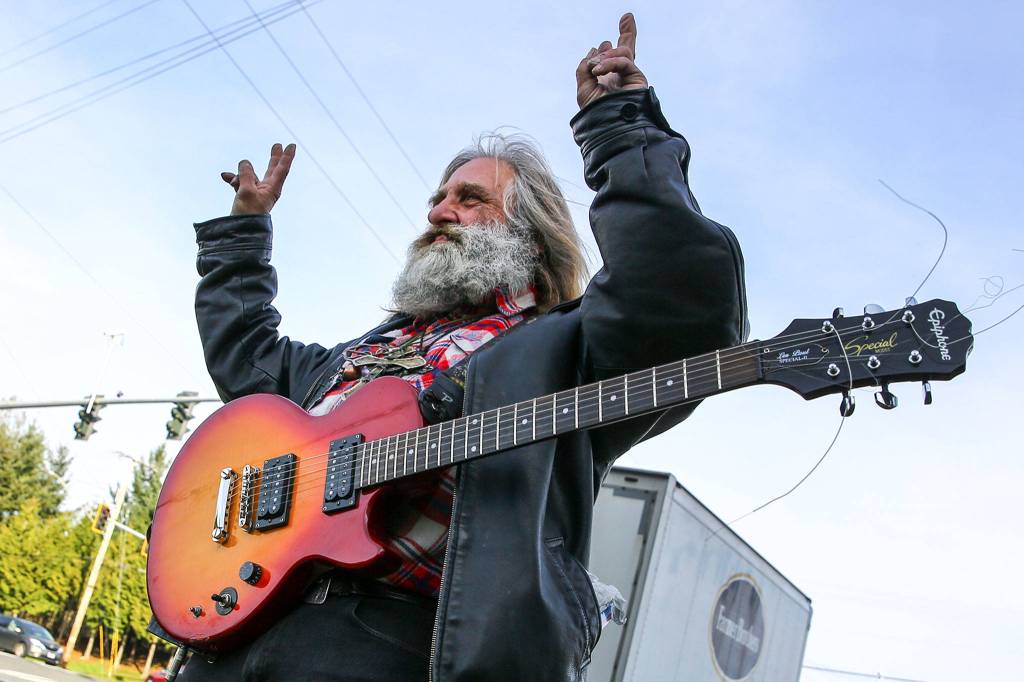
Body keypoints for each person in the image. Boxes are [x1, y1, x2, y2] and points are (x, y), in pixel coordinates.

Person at [182, 13, 746, 682]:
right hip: (247, 625)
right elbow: (250, 365)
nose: (439, 210)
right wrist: (243, 237)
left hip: (388, 643)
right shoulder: (362, 354)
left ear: (530, 237)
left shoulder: (561, 350)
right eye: (439, 196)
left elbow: (678, 298)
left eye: (469, 198)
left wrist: (619, 127)